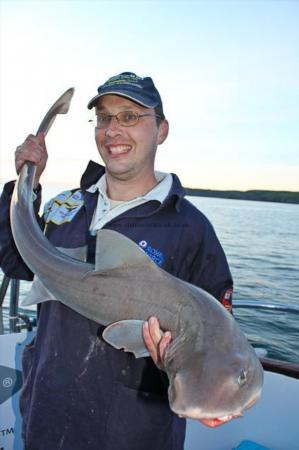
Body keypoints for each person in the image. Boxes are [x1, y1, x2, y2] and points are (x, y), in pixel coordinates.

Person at [0, 72, 233, 450]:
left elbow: (218, 341)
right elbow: (15, 260)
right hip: (47, 419)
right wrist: (25, 184)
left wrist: (206, 390)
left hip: (131, 434)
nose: (113, 130)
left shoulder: (191, 229)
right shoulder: (67, 206)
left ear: (161, 130)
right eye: (105, 118)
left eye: (130, 117)